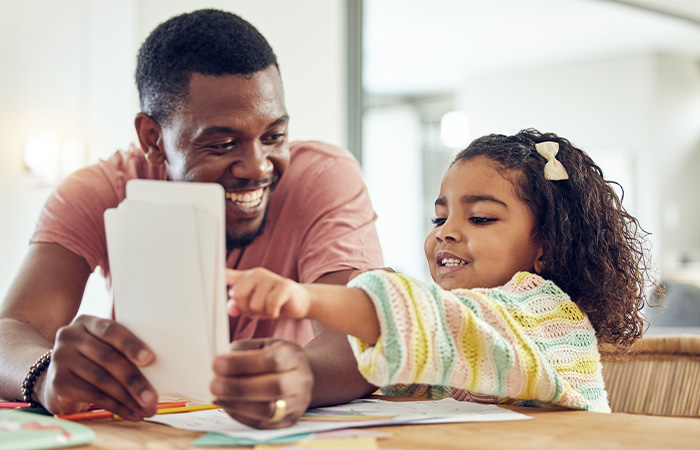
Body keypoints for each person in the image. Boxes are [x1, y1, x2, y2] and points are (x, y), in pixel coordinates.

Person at [0, 9, 383, 429]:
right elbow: (11, 329)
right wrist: (44, 372)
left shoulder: (323, 176)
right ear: (154, 138)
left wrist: (302, 374)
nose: (258, 167)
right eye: (221, 143)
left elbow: (361, 330)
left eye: (274, 136)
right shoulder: (100, 189)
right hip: (148, 429)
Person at [227, 129, 654, 413]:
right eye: (439, 219)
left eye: (481, 218)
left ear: (547, 246)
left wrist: (304, 297)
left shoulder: (547, 314)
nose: (446, 234)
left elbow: (438, 325)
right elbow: (401, 365)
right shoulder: (454, 325)